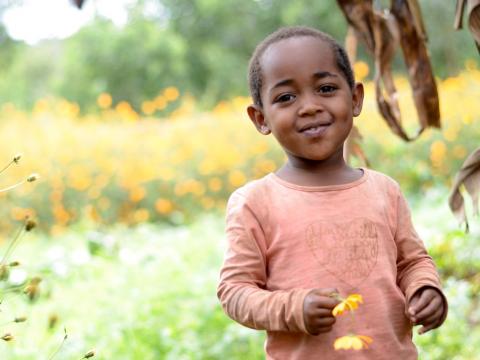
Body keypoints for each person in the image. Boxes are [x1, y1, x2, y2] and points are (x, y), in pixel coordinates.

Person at [216, 26, 448, 359]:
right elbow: (235, 292)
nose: (309, 107)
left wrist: (425, 289)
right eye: (286, 97)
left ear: (354, 99)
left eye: (325, 88)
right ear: (261, 118)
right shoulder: (255, 202)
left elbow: (413, 263)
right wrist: (293, 308)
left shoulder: (385, 191)